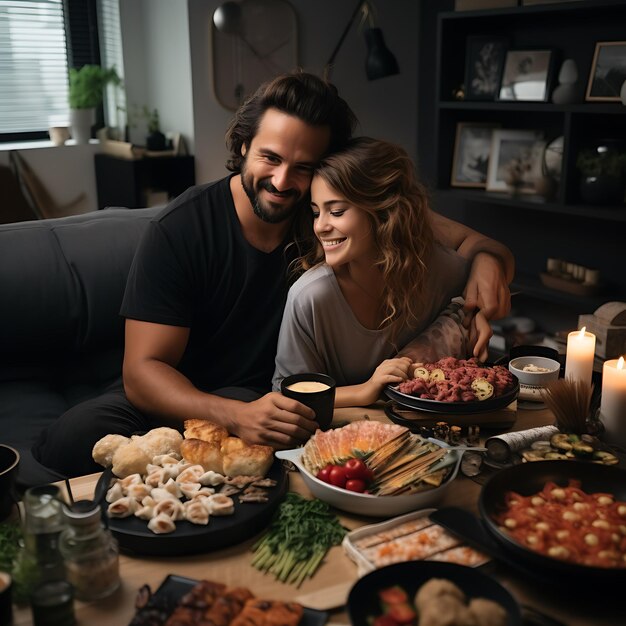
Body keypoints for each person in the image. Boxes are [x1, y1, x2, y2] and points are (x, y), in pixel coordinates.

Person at [33, 71, 513, 477]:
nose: (283, 182)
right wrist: (235, 416)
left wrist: (488, 263)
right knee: (72, 439)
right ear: (243, 146)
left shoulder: (329, 214)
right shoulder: (180, 229)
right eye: (270, 158)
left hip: (276, 395)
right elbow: (142, 373)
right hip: (189, 396)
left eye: (303, 168)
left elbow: (472, 242)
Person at [272, 137, 494, 407]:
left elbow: (472, 299)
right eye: (316, 212)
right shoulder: (310, 297)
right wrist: (366, 390)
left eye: (337, 211)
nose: (320, 226)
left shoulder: (437, 268)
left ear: (383, 212)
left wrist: (477, 312)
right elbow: (287, 395)